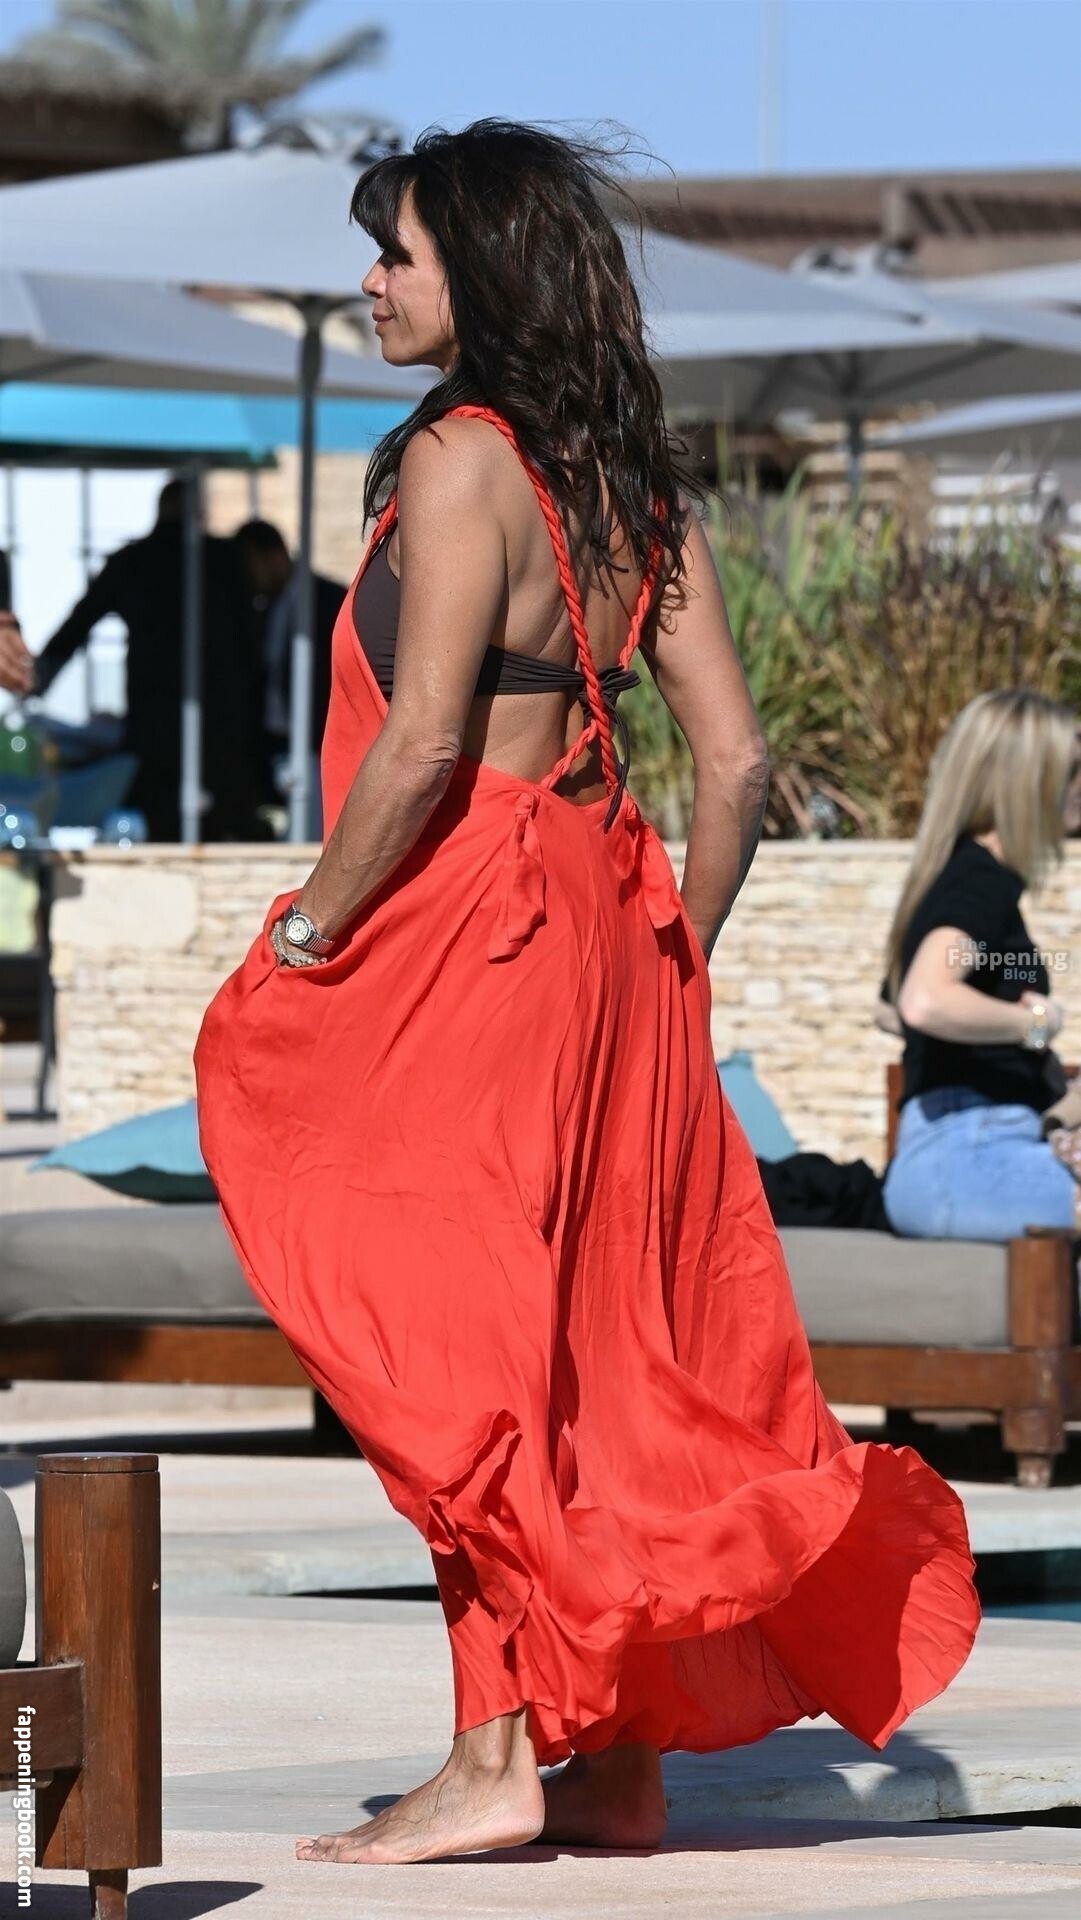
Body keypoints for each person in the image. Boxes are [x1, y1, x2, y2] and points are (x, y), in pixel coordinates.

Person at [193, 120, 980, 1868]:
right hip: (603, 918)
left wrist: (309, 932)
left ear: (478, 273)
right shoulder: (627, 484)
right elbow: (737, 764)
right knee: (587, 1348)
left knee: (442, 1347)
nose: (370, 281)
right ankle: (616, 1757)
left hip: (463, 923)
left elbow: (420, 747)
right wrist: (665, 955)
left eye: (395, 253)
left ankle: (493, 1756)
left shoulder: (463, 458)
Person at [879, 690, 1080, 1241]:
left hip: (972, 1147)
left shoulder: (963, 877)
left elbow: (889, 1011)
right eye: (1072, 768)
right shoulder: (979, 882)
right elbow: (924, 1001)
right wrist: (1037, 1022)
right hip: (967, 1152)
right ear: (1030, 781)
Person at [0, 479, 267, 842]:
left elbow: (79, 624)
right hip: (224, 717)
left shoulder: (134, 560)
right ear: (198, 511)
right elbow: (255, 640)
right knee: (226, 824)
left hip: (153, 717)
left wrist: (38, 678)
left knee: (156, 824)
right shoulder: (226, 559)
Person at [233, 518, 345, 840]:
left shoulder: (329, 600)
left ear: (274, 555)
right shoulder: (262, 605)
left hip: (316, 742)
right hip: (274, 744)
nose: (248, 577)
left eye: (251, 564)